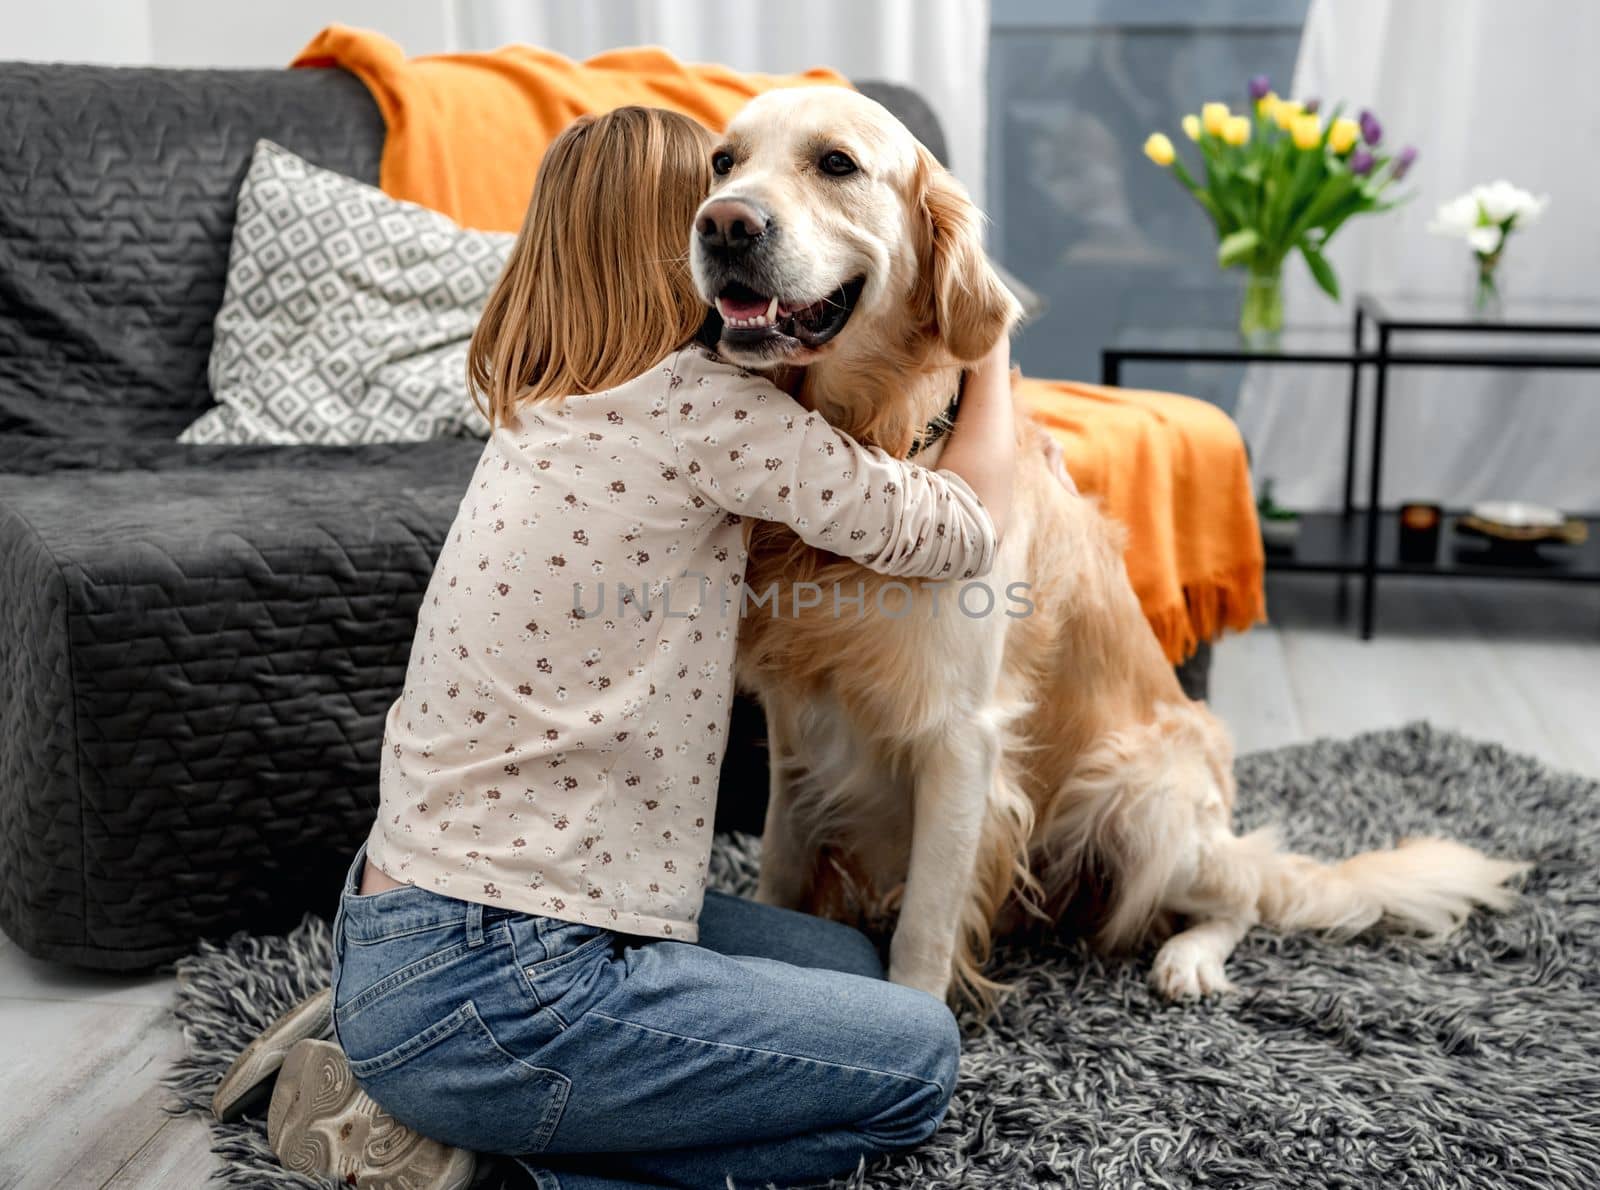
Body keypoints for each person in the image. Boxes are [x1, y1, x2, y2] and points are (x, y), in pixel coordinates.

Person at [245, 105, 1019, 1190]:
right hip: (514, 978)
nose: (737, 215)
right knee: (913, 1057)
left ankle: (390, 1043)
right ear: (675, 242)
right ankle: (472, 1148)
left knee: (849, 962)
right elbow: (960, 534)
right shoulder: (712, 417)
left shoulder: (536, 396)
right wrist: (994, 368)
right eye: (716, 195)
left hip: (412, 913)